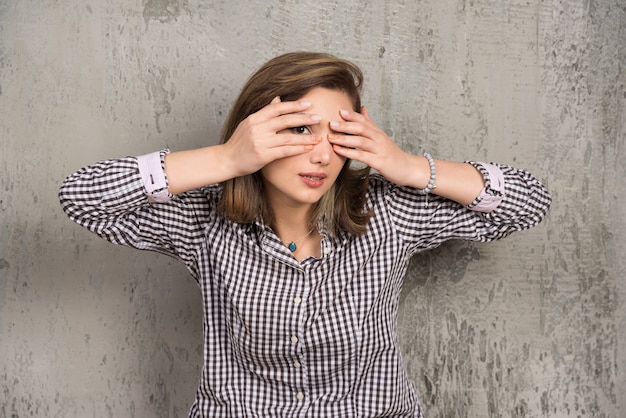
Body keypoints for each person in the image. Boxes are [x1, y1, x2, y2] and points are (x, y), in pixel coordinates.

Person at [59, 51, 551, 417]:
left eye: (339, 136)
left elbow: (528, 203)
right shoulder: (203, 221)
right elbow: (81, 197)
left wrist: (409, 167)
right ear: (256, 130)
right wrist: (226, 158)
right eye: (300, 130)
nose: (322, 155)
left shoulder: (389, 212)